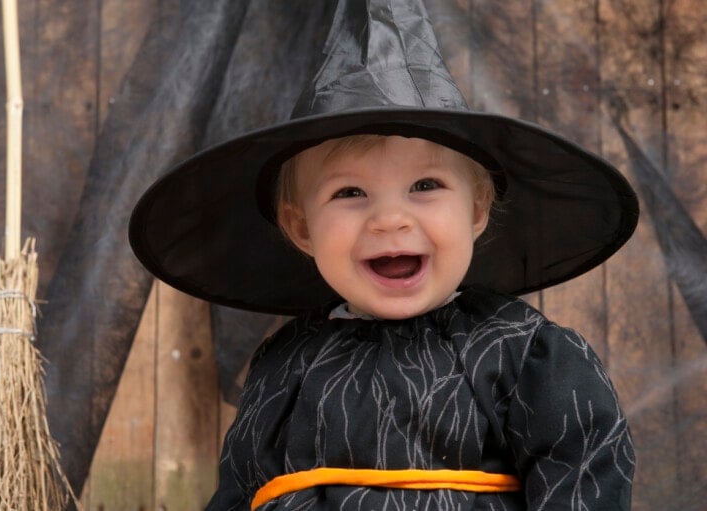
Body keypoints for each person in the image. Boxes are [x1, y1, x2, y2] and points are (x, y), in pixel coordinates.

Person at [128, 0, 637, 509]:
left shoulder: (526, 353)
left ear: (477, 211)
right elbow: (241, 493)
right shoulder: (284, 362)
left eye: (424, 184)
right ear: (301, 227)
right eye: (350, 193)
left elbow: (585, 477)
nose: (389, 219)